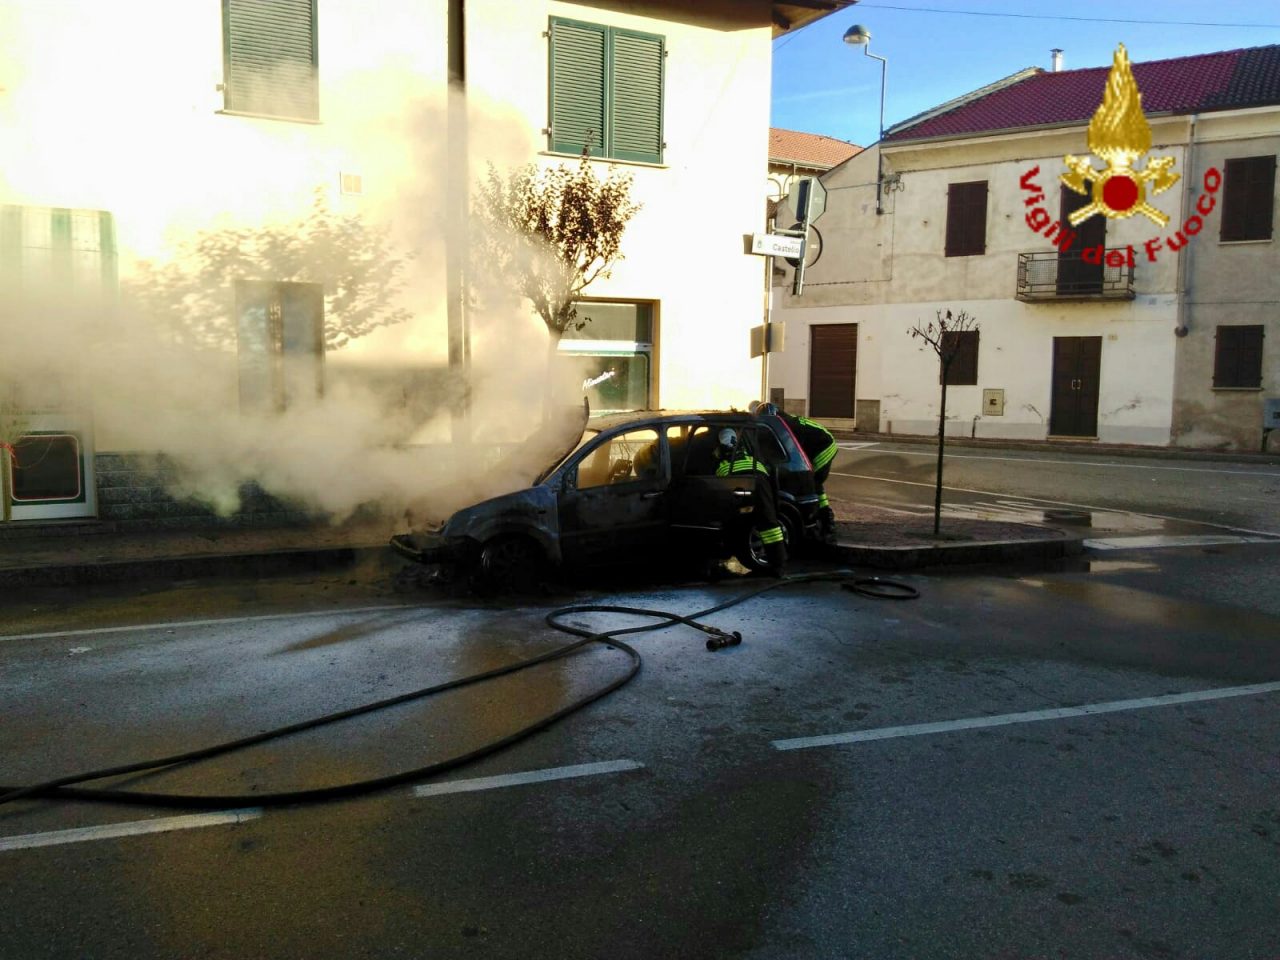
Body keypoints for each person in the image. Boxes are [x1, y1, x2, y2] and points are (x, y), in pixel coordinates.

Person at [752, 402, 838, 542]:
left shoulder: (789, 426)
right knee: (813, 483)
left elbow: (795, 451)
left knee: (812, 483)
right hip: (817, 445)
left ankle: (827, 522)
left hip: (825, 446)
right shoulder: (786, 421)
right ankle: (822, 519)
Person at [712, 427, 786, 577]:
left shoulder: (721, 458)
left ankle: (726, 551)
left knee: (733, 518)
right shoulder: (744, 449)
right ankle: (778, 565)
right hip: (759, 477)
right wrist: (774, 507)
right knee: (769, 522)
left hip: (737, 481)